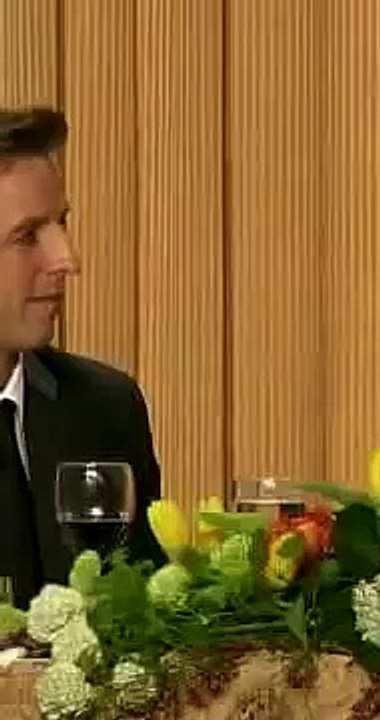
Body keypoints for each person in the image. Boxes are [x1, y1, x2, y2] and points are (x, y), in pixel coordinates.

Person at [0, 107, 163, 608]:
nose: (67, 258)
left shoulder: (105, 407)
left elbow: (147, 614)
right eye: (29, 236)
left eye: (62, 225)